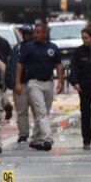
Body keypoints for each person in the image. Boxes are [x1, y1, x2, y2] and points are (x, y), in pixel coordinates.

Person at [15, 23, 64, 151]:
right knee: (41, 111)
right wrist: (17, 82)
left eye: (38, 32)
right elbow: (20, 65)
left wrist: (61, 81)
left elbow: (59, 65)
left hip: (48, 83)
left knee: (44, 113)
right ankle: (47, 139)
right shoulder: (29, 47)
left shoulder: (53, 47)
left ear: (45, 34)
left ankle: (36, 139)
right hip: (34, 83)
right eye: (34, 32)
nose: (35, 35)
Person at [6, 24, 34, 143]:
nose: (26, 35)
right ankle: (23, 134)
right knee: (21, 111)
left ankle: (38, 133)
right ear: (22, 34)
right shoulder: (16, 49)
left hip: (34, 82)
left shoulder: (36, 47)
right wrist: (12, 83)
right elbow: (11, 66)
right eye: (25, 33)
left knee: (37, 110)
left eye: (29, 33)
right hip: (20, 84)